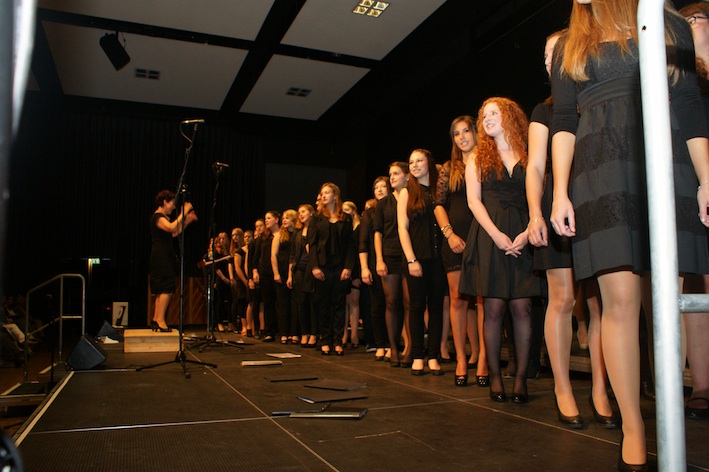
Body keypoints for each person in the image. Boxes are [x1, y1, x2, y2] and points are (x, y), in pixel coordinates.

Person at [550, 1, 709, 468]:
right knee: (618, 302)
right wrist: (560, 192)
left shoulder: (667, 21)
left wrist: (706, 179)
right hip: (599, 166)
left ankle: (668, 419)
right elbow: (564, 121)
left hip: (663, 155)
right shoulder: (570, 42)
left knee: (665, 304)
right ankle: (633, 429)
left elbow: (688, 104)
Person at [527, 29, 615, 429]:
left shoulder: (598, 97)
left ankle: (600, 388)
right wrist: (535, 213)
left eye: (556, 52)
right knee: (562, 299)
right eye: (546, 56)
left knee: (599, 304)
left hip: (596, 197)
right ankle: (562, 388)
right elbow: (535, 166)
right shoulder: (544, 111)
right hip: (557, 203)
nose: (551, 60)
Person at [460, 97, 539, 403]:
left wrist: (527, 233)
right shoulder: (478, 156)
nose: (488, 118)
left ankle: (520, 379)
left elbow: (538, 194)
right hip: (490, 234)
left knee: (522, 308)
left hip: (523, 232)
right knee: (492, 308)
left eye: (494, 113)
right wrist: (495, 235)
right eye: (484, 115)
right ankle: (495, 378)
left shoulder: (528, 152)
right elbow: (473, 201)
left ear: (509, 116)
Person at [435, 115, 488, 387]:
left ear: (476, 132)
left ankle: (483, 360)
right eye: (456, 134)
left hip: (483, 237)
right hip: (454, 240)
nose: (462, 137)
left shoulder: (488, 163)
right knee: (457, 300)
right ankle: (460, 359)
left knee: (483, 301)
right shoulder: (448, 168)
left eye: (466, 131)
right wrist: (449, 234)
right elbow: (439, 204)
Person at [678, 1, 709, 422]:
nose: (687, 26)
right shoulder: (680, 76)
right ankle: (702, 383)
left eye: (694, 19)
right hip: (692, 179)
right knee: (698, 277)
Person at [398, 149, 446, 376]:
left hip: (439, 259)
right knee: (416, 307)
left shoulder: (439, 190)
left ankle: (433, 356)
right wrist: (411, 259)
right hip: (416, 258)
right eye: (411, 162)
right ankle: (418, 355)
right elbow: (402, 228)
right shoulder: (407, 192)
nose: (415, 165)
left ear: (429, 163)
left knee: (436, 308)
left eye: (419, 160)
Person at [308, 183, 355, 356]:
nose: (323, 196)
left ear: (335, 196)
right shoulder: (316, 218)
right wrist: (314, 267)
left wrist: (348, 267)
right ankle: (325, 340)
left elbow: (350, 245)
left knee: (339, 304)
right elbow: (312, 244)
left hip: (340, 267)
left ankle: (338, 341)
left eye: (327, 193)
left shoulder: (346, 218)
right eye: (322, 193)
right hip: (322, 267)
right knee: (324, 305)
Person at [374, 162, 410, 367]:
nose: (392, 177)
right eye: (390, 174)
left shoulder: (413, 199)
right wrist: (379, 259)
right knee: (391, 302)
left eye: (396, 173)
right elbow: (377, 233)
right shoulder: (383, 204)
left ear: (407, 176)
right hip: (390, 255)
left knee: (409, 302)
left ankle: (409, 347)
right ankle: (393, 348)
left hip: (410, 255)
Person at [149, 189, 197, 332]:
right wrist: (184, 211)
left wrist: (187, 220)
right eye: (172, 203)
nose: (174, 207)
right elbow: (171, 227)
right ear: (165, 202)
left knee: (162, 288)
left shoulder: (162, 218)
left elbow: (174, 232)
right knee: (166, 288)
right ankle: (160, 320)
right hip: (161, 256)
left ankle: (156, 319)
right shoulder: (158, 217)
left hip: (163, 256)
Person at [360, 177, 390, 361]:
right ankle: (380, 343)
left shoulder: (396, 208)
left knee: (394, 304)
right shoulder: (369, 213)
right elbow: (363, 242)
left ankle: (392, 343)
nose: (379, 190)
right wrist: (364, 267)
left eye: (383, 186)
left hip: (395, 259)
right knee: (378, 304)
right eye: (376, 187)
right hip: (373, 261)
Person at [289, 204, 317, 347]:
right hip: (299, 269)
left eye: (303, 211)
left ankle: (314, 333)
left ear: (311, 213)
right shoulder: (297, 233)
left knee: (313, 302)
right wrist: (290, 275)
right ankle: (304, 333)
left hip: (311, 269)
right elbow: (292, 255)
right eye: (299, 212)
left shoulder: (316, 229)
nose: (300, 214)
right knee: (301, 303)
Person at [273, 209, 297, 344]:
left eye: (287, 218)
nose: (284, 220)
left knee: (294, 304)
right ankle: (284, 333)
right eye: (283, 218)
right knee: (283, 304)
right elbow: (273, 255)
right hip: (281, 272)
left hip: (294, 271)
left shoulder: (298, 234)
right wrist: (276, 272)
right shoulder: (279, 235)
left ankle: (294, 332)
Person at [342, 201, 362, 348]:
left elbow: (358, 251)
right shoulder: (343, 226)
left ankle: (354, 335)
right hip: (344, 267)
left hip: (356, 268)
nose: (344, 213)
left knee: (354, 302)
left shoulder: (359, 227)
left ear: (354, 211)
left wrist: (356, 274)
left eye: (347, 210)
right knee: (343, 303)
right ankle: (343, 334)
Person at [230, 228, 248, 335]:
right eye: (233, 235)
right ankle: (240, 325)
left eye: (236, 235)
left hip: (247, 277)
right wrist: (232, 278)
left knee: (246, 301)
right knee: (239, 301)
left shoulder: (246, 248)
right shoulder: (236, 251)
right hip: (239, 279)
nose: (234, 237)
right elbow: (235, 267)